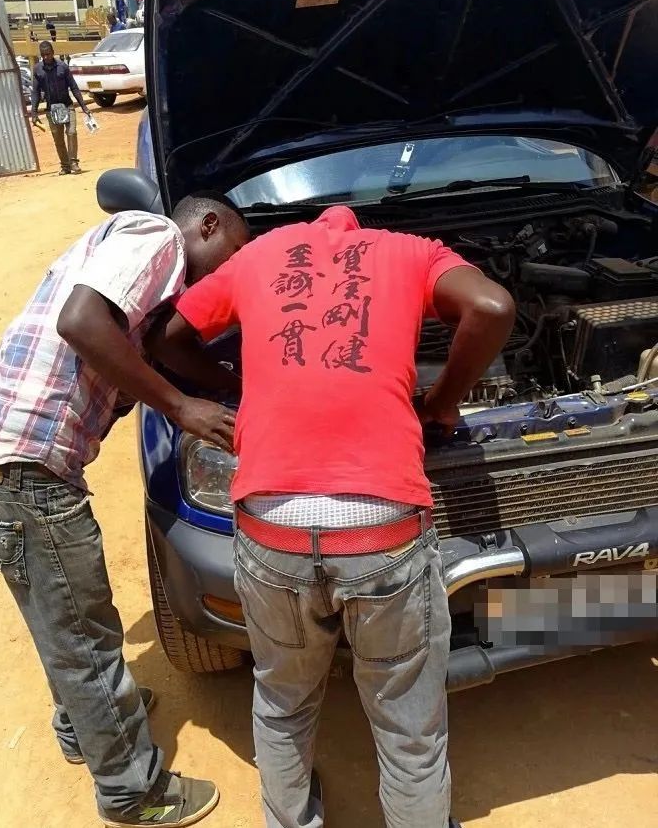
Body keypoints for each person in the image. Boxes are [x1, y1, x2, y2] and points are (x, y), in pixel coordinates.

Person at [161, 205, 515, 828]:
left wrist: (236, 383)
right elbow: (491, 306)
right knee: (407, 721)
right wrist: (440, 401)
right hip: (383, 532)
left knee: (282, 698)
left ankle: (290, 819)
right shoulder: (413, 250)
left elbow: (166, 337)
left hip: (271, 529)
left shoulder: (257, 255)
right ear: (361, 231)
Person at [0, 193, 250, 827]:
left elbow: (164, 349)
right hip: (26, 470)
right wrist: (181, 407)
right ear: (208, 225)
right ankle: (132, 792)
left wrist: (235, 385)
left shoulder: (146, 280)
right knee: (85, 636)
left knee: (56, 617)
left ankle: (82, 726)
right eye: (237, 250)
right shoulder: (156, 238)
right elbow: (81, 322)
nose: (235, 266)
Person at [30, 41, 90, 175]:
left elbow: (74, 87)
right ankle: (65, 166)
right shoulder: (38, 70)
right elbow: (35, 92)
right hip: (52, 110)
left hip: (67, 106)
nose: (46, 57)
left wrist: (84, 106)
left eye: (48, 54)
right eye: (43, 55)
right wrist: (34, 113)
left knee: (71, 132)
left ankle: (73, 162)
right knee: (58, 139)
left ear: (53, 52)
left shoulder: (63, 67)